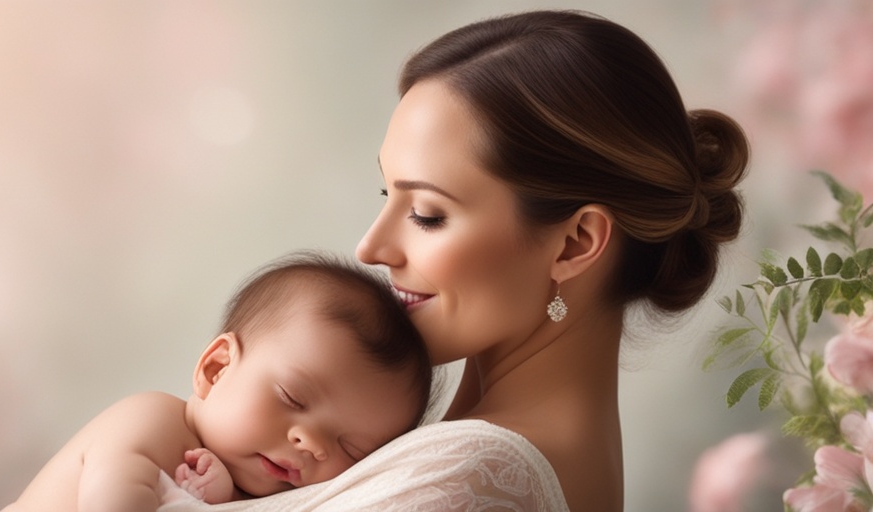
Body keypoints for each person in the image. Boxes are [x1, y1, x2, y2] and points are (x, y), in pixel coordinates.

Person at [157, 9, 749, 512]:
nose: (372, 249)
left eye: (429, 215)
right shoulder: (474, 456)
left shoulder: (471, 479)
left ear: (574, 244)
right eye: (389, 196)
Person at [2, 251, 432, 511]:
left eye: (350, 449)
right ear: (217, 368)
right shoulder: (157, 421)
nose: (313, 444)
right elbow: (113, 492)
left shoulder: (254, 494)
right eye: (293, 397)